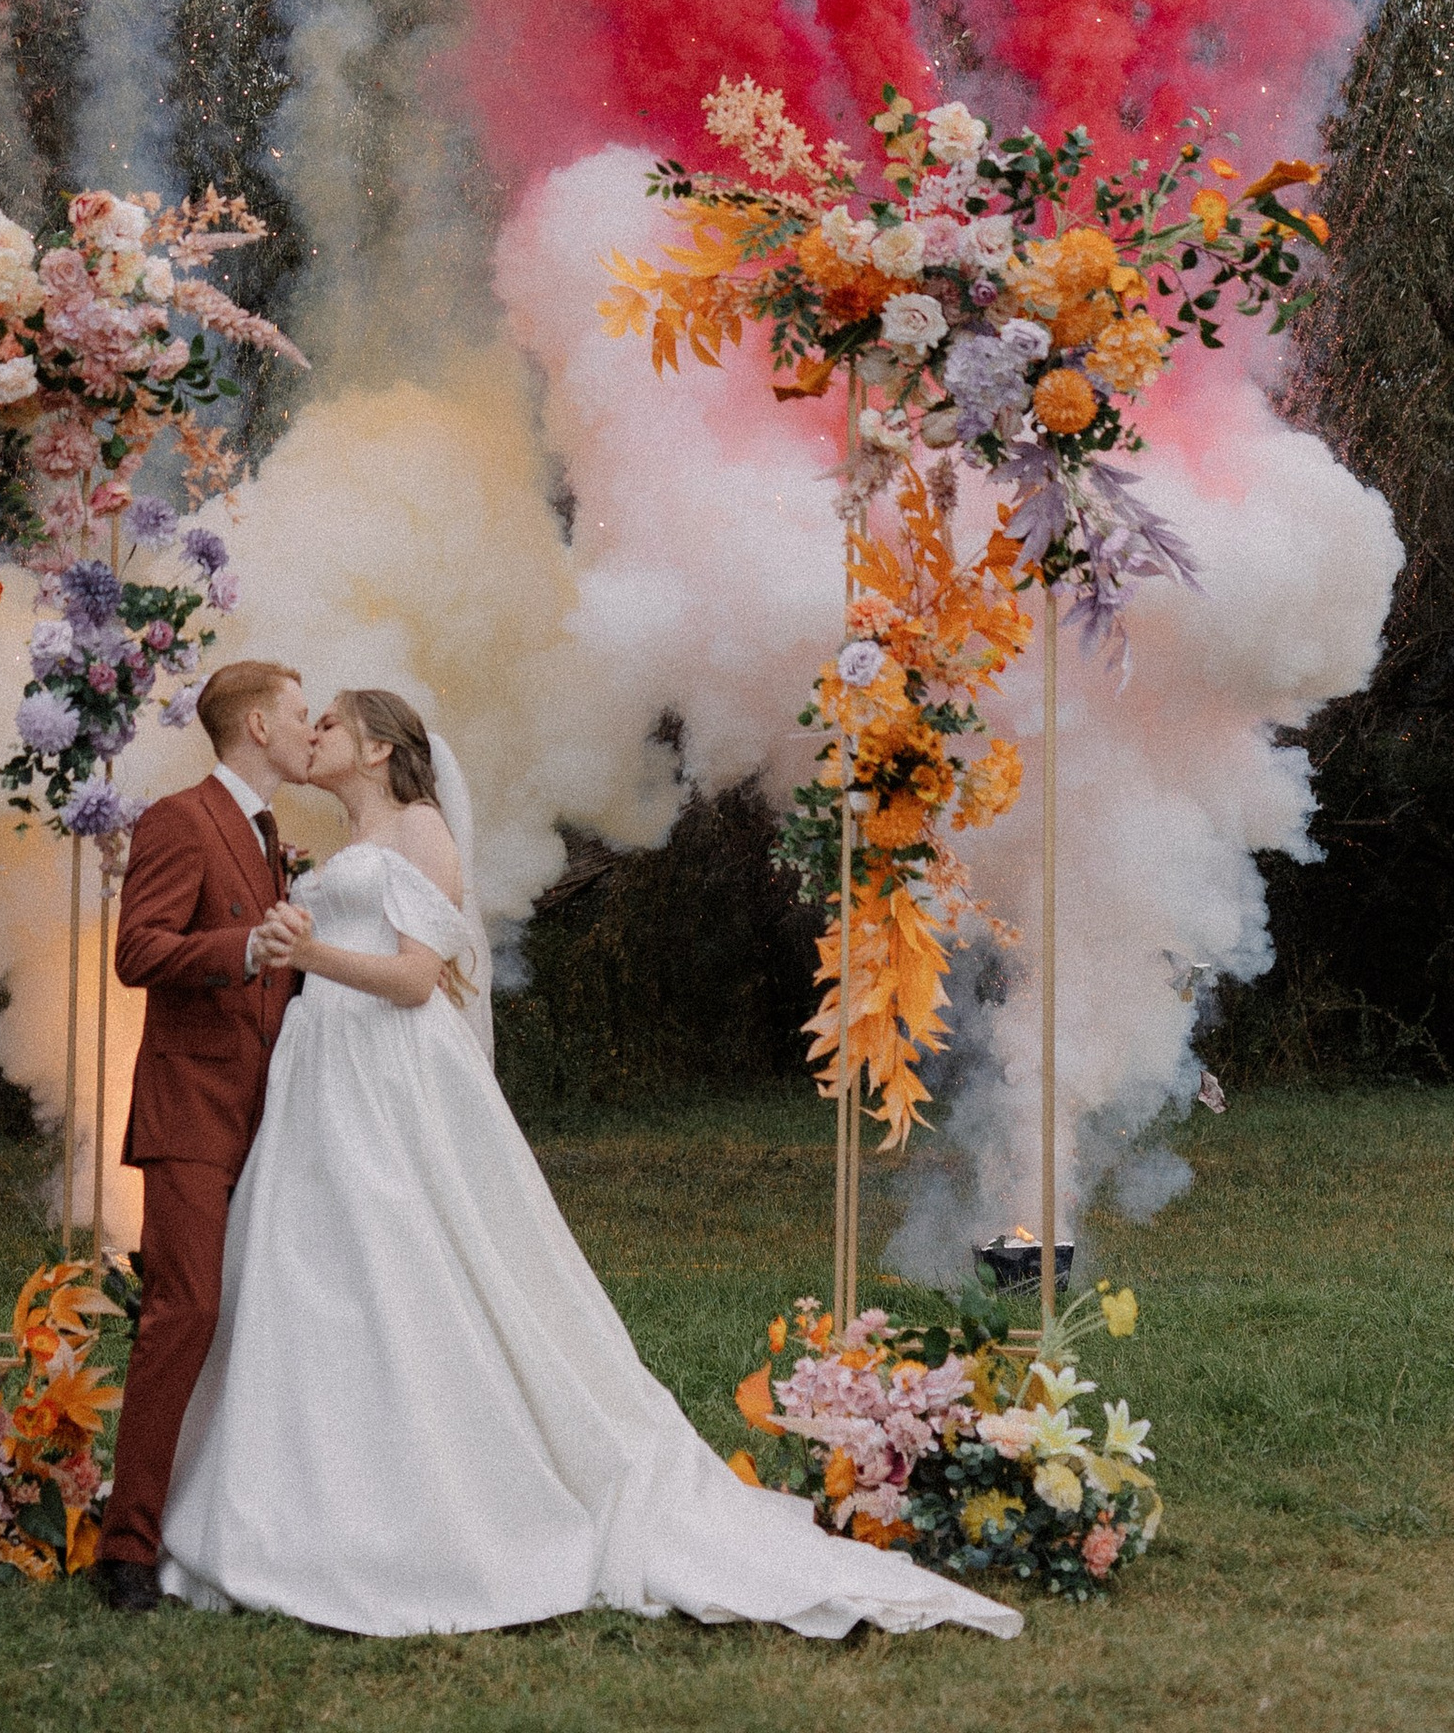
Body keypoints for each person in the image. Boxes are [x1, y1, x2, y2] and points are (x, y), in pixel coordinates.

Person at [153, 687, 1022, 1644]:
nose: (310, 734)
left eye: (328, 725)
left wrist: (310, 953)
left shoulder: (422, 831)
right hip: (323, 1072)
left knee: (405, 1258)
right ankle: (298, 1499)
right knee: (309, 1270)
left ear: (372, 748)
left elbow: (410, 981)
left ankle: (427, 1502)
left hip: (389, 1074)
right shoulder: (330, 847)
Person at [93, 654, 315, 1613]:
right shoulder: (179, 819)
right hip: (190, 1112)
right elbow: (137, 950)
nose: (314, 731)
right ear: (258, 726)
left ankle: (227, 1521)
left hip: (269, 1113)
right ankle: (126, 1549)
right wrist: (242, 948)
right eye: (303, 715)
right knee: (184, 1313)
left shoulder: (271, 837)